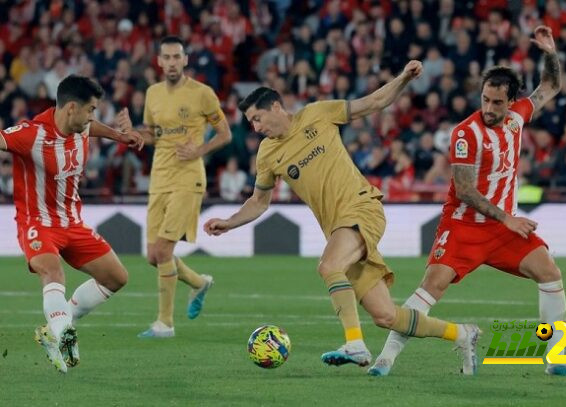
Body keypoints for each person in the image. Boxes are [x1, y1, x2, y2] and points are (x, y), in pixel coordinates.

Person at [203, 60, 480, 371]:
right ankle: (462, 334)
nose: (255, 128)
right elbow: (258, 201)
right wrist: (228, 222)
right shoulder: (267, 154)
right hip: (339, 228)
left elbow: (374, 102)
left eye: (257, 118)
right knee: (386, 316)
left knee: (329, 265)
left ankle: (355, 345)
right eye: (251, 122)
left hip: (362, 206)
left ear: (276, 107)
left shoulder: (318, 113)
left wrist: (403, 78)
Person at [369, 26, 566, 377]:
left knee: (549, 272)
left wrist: (549, 52)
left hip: (502, 230)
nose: (489, 107)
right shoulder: (466, 134)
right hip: (464, 227)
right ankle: (385, 359)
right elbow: (466, 190)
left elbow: (550, 86)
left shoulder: (517, 119)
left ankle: (557, 358)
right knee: (430, 288)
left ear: (511, 102)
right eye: (485, 99)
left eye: (497, 102)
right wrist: (508, 218)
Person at [0, 74, 143, 373]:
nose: (93, 116)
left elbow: (91, 129)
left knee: (117, 278)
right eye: (91, 109)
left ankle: (57, 327)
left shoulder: (81, 125)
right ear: (72, 108)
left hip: (73, 223)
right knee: (53, 272)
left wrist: (118, 135)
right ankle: (64, 335)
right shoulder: (32, 134)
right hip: (37, 222)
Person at [135, 36, 232, 338]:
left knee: (164, 249)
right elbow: (155, 134)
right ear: (160, 61)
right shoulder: (152, 94)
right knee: (153, 256)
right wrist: (134, 135)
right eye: (167, 57)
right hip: (159, 177)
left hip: (188, 177)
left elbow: (225, 134)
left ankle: (165, 323)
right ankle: (200, 283)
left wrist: (199, 151)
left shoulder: (202, 94)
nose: (173, 62)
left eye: (178, 56)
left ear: (185, 59)